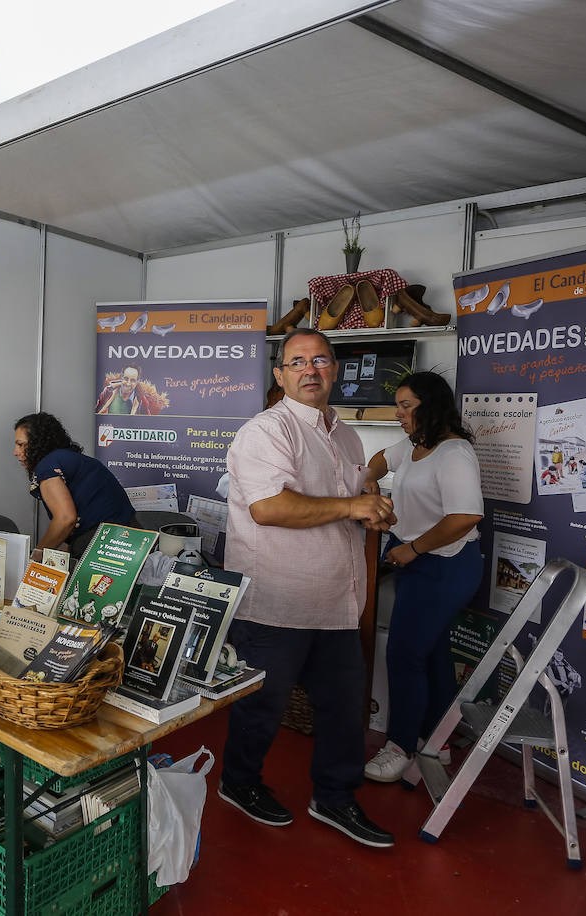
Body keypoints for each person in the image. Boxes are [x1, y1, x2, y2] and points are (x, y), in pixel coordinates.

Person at [218, 327, 396, 848]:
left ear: (335, 369)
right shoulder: (266, 431)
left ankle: (336, 798)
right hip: (277, 601)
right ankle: (239, 782)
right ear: (280, 375)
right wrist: (350, 507)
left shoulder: (347, 435)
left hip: (338, 600)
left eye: (320, 360)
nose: (310, 370)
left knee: (344, 710)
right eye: (297, 362)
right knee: (262, 706)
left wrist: (372, 509)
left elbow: (353, 497)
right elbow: (268, 507)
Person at [361, 371, 484, 783]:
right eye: (398, 405)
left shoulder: (454, 454)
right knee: (433, 653)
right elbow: (379, 462)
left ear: (431, 406)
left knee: (405, 654)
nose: (398, 414)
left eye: (406, 406)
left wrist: (412, 548)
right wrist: (370, 486)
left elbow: (465, 517)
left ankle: (400, 745)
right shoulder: (416, 445)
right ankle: (438, 740)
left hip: (444, 566)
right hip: (418, 563)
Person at [13, 412, 137, 556]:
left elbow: (66, 519)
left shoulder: (47, 466)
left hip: (106, 544)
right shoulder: (71, 459)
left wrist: (36, 557)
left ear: (37, 443)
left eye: (21, 445)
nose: (16, 452)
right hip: (129, 539)